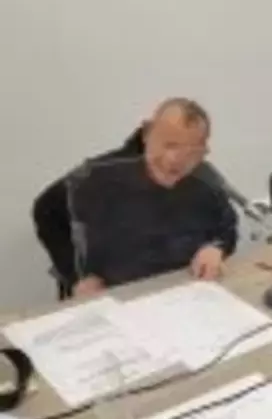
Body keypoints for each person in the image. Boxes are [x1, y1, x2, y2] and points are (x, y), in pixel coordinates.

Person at [34, 98, 237, 297]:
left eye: (190, 152)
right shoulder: (99, 176)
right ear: (146, 134)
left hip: (178, 291)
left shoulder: (203, 178)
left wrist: (216, 248)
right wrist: (76, 277)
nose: (175, 160)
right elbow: (45, 211)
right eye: (169, 145)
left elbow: (226, 227)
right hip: (113, 296)